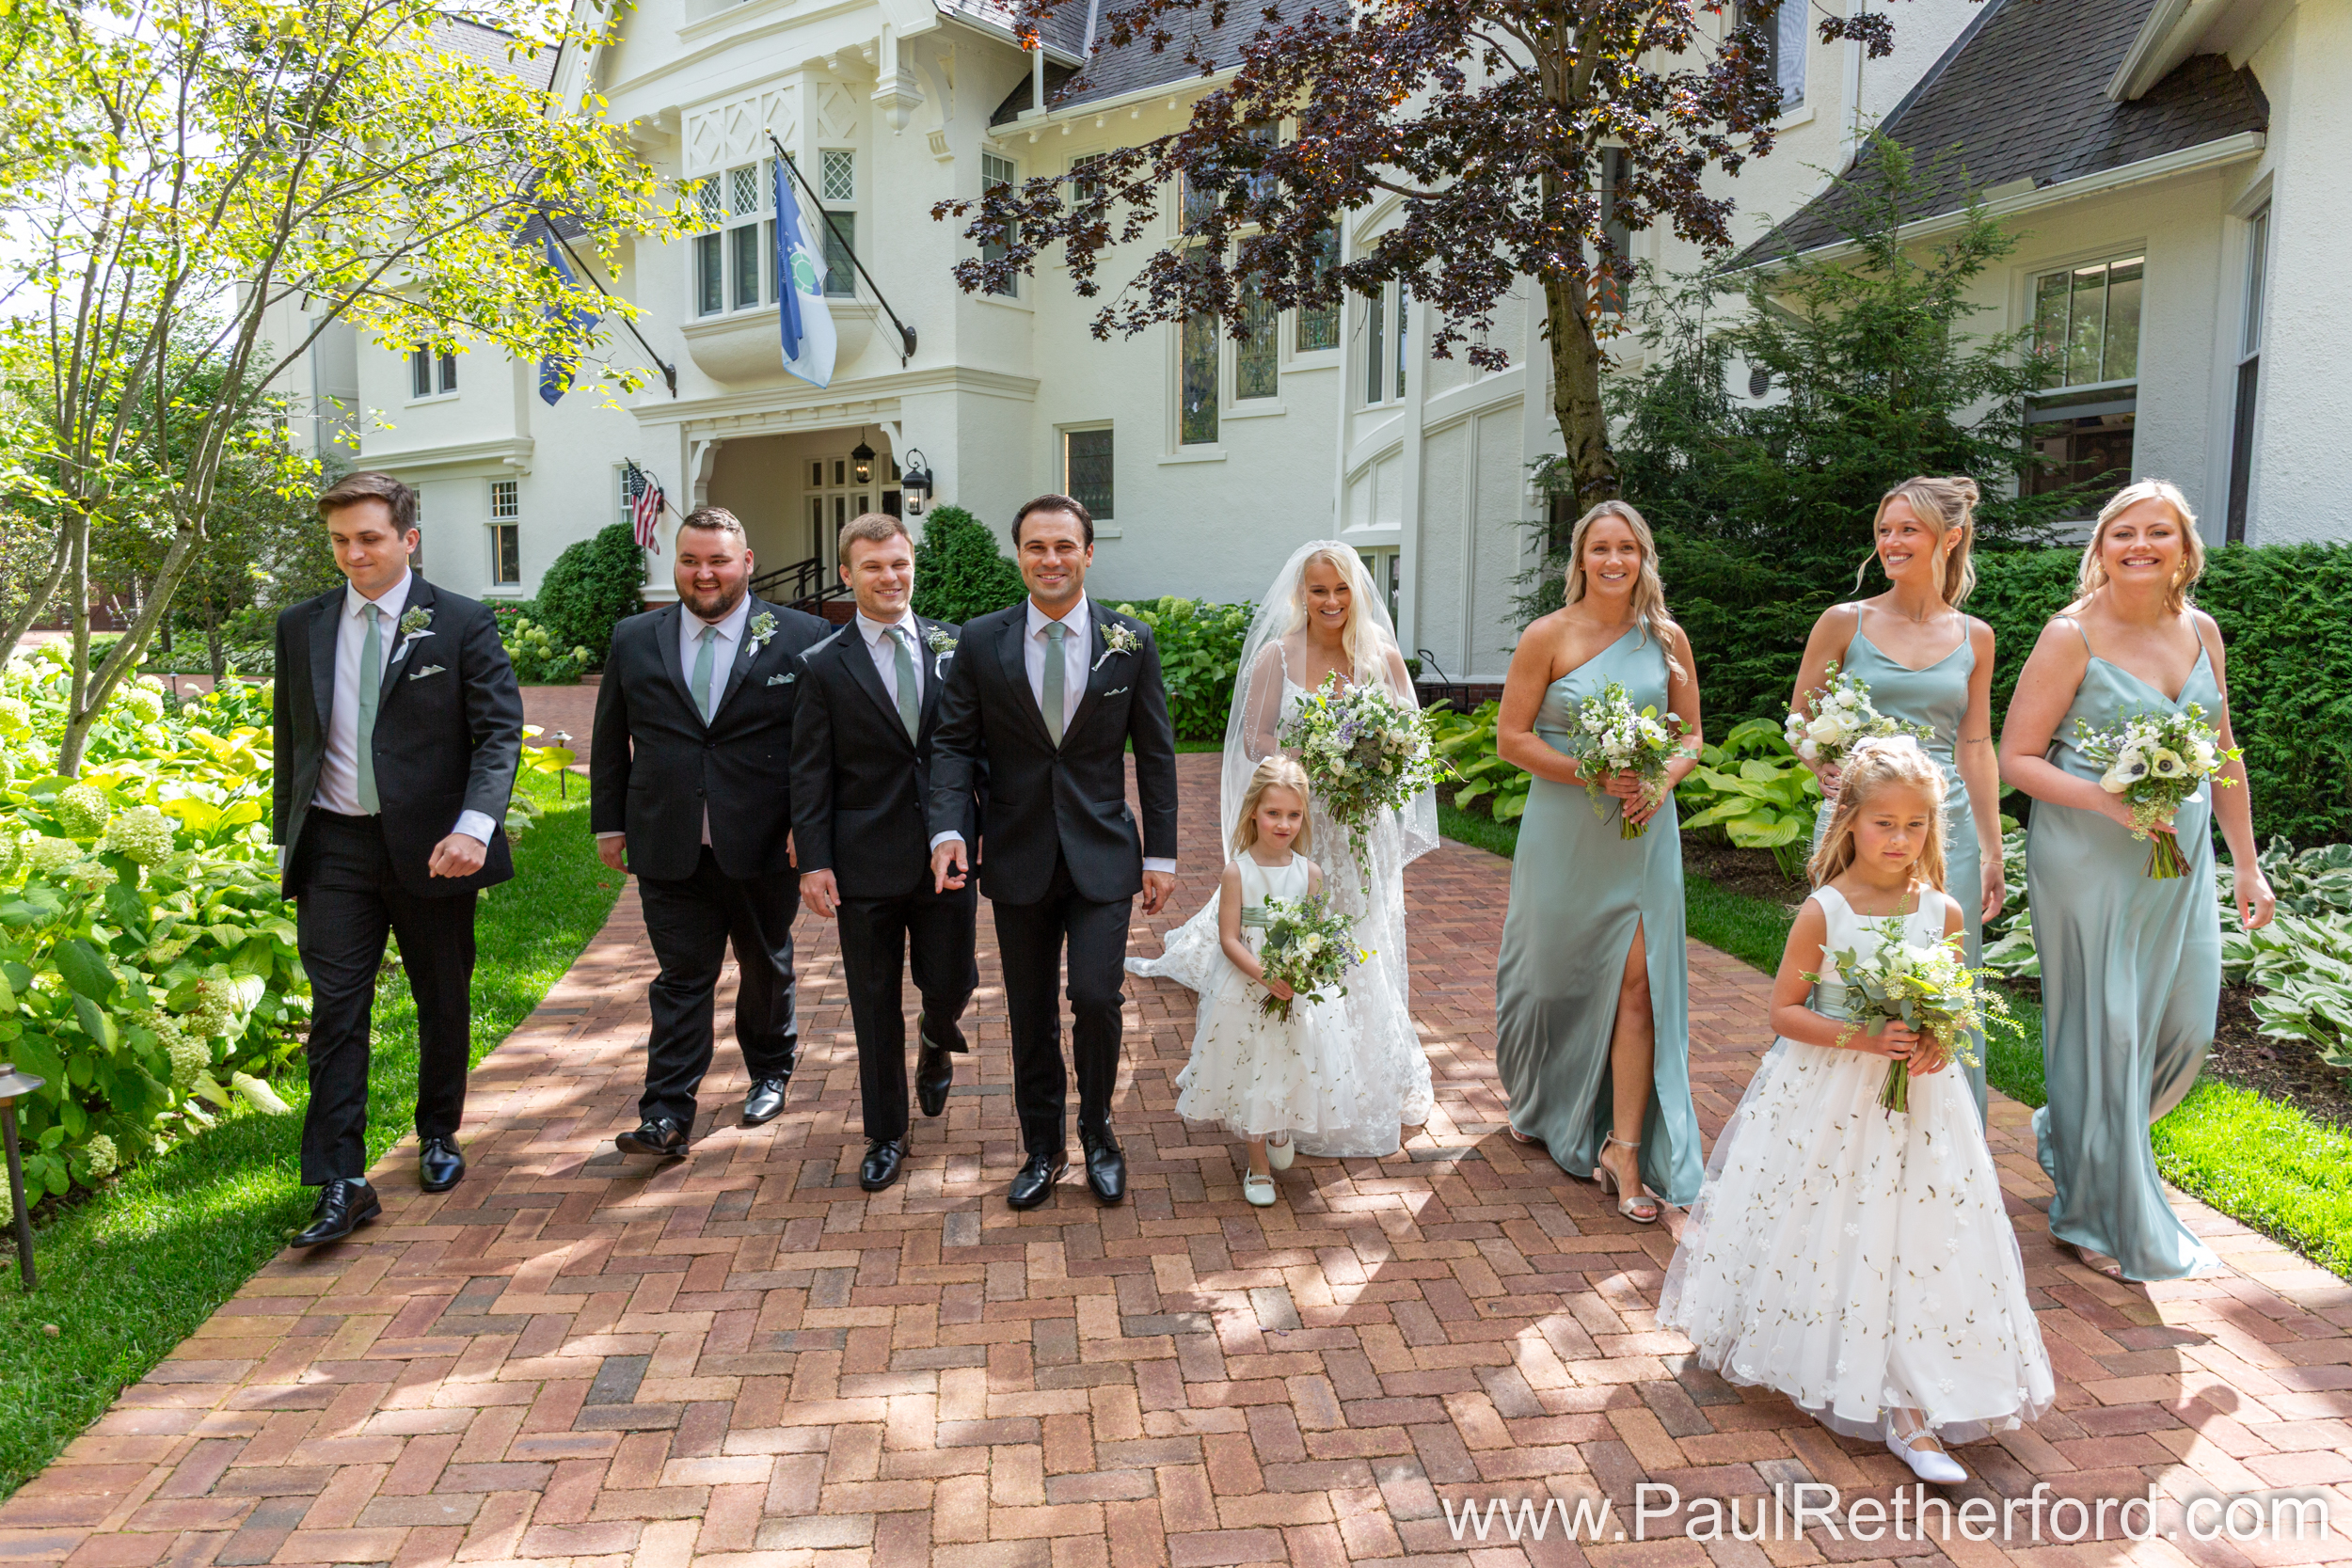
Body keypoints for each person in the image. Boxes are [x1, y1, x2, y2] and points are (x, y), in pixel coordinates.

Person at [1660, 737, 2055, 1486]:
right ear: (1850, 821)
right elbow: (1783, 1011)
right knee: (1825, 1216)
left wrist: (1935, 1037)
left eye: (1914, 825)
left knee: (1923, 1227)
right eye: (1884, 824)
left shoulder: (1941, 911)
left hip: (1920, 1103)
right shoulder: (1826, 910)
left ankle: (1915, 1399)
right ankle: (1811, 1345)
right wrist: (1864, 1035)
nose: (1899, 839)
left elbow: (1953, 1006)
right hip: (1832, 1091)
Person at [1997, 480, 2273, 1280]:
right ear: (2102, 547)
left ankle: (2077, 1131)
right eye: (2125, 532)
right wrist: (2106, 802)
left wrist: (2246, 863)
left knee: (2186, 1027)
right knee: (2105, 1028)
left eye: (2159, 532)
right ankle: (2091, 1209)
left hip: (2178, 861)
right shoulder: (2069, 635)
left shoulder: (2201, 631)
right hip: (2086, 853)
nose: (2141, 545)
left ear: (2186, 550)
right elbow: (2017, 757)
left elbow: (2222, 754)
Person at [272, 471, 523, 1246]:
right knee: (336, 1012)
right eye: (341, 540)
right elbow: (294, 734)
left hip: (435, 849)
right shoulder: (301, 624)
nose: (354, 554)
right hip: (336, 845)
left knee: (442, 997)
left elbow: (498, 733)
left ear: (408, 539)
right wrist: (285, 830)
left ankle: (439, 1131)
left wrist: (474, 826)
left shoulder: (461, 623)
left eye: (370, 538)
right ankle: (341, 1180)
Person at [1128, 541, 1435, 1156]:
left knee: (1358, 946)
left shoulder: (1383, 657)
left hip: (1357, 828)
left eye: (1341, 589)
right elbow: (1254, 734)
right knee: (1295, 947)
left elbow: (1413, 741)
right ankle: (1289, 1086)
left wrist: (1370, 758)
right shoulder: (1278, 654)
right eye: (1318, 590)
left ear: (1357, 592)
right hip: (1297, 824)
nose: (1330, 601)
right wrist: (1295, 758)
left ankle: (1362, 1082)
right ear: (1301, 594)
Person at [927, 494, 1180, 1210]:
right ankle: (1042, 1146)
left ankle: (1099, 1131)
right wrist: (949, 830)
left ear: (1089, 553)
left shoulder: (1131, 639)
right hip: (1016, 852)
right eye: (1036, 547)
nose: (1051, 559)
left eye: (1064, 546)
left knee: (1096, 997)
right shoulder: (981, 640)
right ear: (1020, 555)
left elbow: (1156, 756)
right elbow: (951, 743)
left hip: (1103, 853)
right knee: (1029, 1008)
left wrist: (1159, 855)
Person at [591, 506, 830, 1160]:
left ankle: (770, 1069)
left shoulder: (801, 635)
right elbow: (611, 736)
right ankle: (666, 1111)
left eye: (718, 559)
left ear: (746, 562)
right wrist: (608, 821)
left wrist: (808, 830)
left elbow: (816, 748)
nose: (704, 573)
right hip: (666, 837)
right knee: (681, 976)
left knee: (764, 964)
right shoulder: (635, 637)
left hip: (763, 840)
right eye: (690, 559)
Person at [1492, 499, 1704, 1221]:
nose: (1615, 561)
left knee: (1637, 985)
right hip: (1564, 827)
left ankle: (1626, 1149)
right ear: (1579, 557)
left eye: (1629, 549)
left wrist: (1663, 776)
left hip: (1642, 833)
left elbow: (1690, 737)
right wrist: (1587, 771)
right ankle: (1545, 1099)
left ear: (1644, 558)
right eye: (1601, 548)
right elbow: (1512, 740)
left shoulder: (1666, 638)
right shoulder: (1546, 636)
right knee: (1550, 980)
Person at [1788, 476, 2003, 1121]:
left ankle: (1943, 1152)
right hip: (1857, 822)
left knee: (1940, 985)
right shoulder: (1843, 622)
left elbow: (1975, 745)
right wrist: (1822, 759)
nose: (1891, 541)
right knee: (1842, 969)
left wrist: (1993, 850)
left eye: (1907, 529)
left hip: (1946, 831)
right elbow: (1800, 720)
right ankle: (1836, 1134)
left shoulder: (1976, 636)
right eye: (1885, 530)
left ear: (1950, 537)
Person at [790, 513, 981, 1193]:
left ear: (912, 566)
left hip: (946, 854)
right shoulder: (820, 664)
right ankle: (884, 1133)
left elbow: (972, 750)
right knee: (872, 1002)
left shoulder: (958, 647)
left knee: (953, 979)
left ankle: (937, 1036)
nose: (889, 576)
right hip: (862, 859)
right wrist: (814, 860)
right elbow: (809, 771)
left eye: (899, 563)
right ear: (848, 574)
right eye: (872, 567)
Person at [1172, 757, 1380, 1206]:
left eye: (1293, 814)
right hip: (1247, 985)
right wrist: (1265, 974)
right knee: (1251, 1063)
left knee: (1291, 1057)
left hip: (1296, 989)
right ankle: (1258, 1163)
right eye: (1273, 813)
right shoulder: (1238, 872)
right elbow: (1228, 939)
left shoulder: (1309, 874)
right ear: (1254, 812)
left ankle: (1281, 1127)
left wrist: (1305, 970)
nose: (1283, 823)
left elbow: (1313, 933)